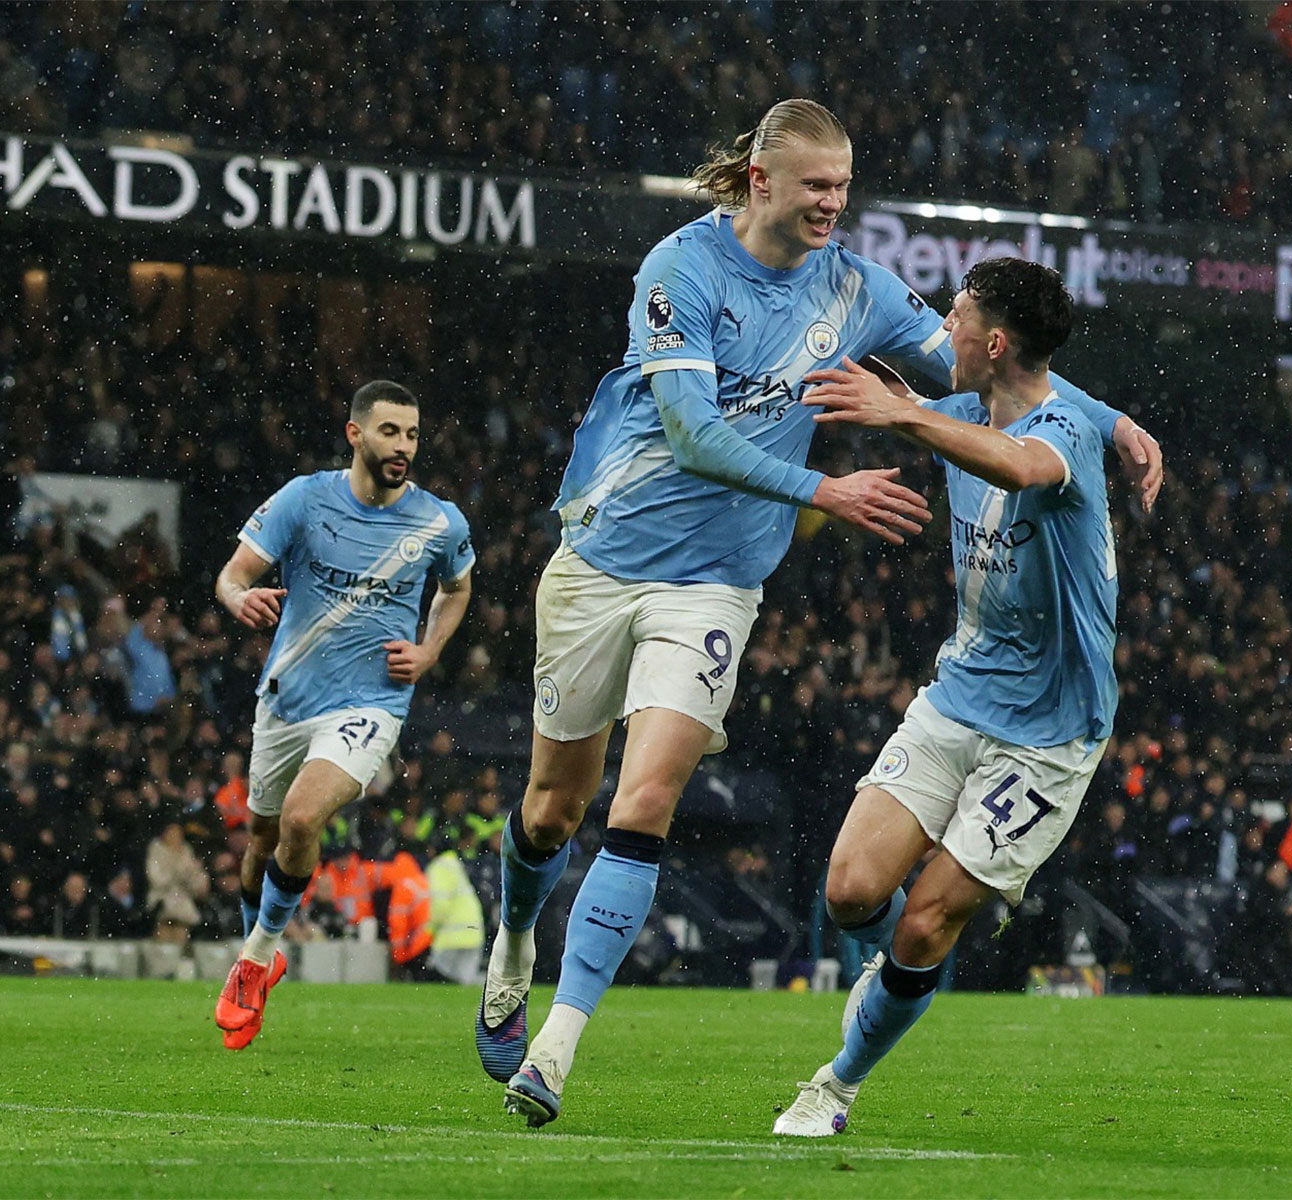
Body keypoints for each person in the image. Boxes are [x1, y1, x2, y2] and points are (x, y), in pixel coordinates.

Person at [482, 100, 1162, 1130]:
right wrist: (826, 494)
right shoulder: (680, 271)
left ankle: (555, 1054)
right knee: (548, 809)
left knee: (646, 799)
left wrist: (1108, 419)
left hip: (716, 583)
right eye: (815, 188)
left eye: (844, 188)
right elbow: (694, 435)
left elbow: (996, 370)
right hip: (604, 560)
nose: (833, 206)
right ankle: (511, 946)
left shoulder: (858, 286)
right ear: (761, 180)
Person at [768, 257, 1120, 1136]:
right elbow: (951, 408)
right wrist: (901, 406)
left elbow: (1022, 467)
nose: (943, 333)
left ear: (994, 342)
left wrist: (906, 415)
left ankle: (835, 1086)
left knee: (925, 925)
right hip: (959, 696)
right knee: (850, 891)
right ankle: (893, 974)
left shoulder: (1065, 430)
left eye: (956, 319)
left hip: (1049, 733)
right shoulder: (963, 404)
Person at [212, 380, 474, 1050]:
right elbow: (232, 574)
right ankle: (260, 948)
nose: (404, 447)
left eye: (413, 435)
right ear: (355, 434)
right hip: (287, 697)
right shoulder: (305, 499)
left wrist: (429, 650)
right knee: (263, 843)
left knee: (303, 817)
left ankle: (253, 957)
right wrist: (239, 598)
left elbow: (458, 586)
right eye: (391, 432)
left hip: (369, 704)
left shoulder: (439, 522)